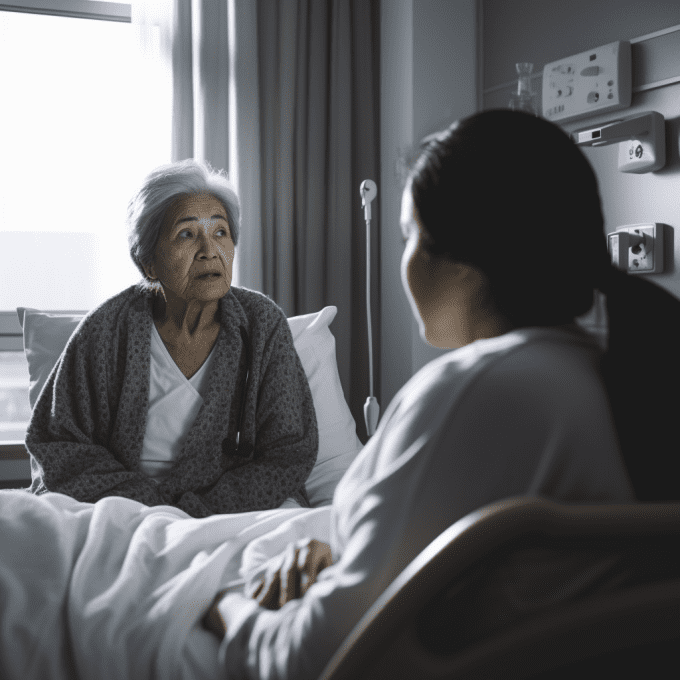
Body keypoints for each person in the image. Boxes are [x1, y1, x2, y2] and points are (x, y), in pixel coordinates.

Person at [202, 109, 680, 678]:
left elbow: (313, 660)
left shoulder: (479, 390)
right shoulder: (610, 372)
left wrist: (220, 604)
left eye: (410, 235)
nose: (405, 259)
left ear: (461, 258)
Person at [25, 159, 319, 518]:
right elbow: (60, 444)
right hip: (122, 510)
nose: (209, 250)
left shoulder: (261, 325)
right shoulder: (106, 330)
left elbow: (287, 451)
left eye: (220, 232)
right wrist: (153, 510)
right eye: (186, 234)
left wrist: (195, 514)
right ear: (150, 264)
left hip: (234, 512)